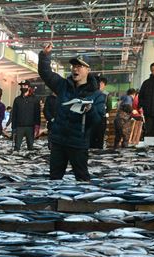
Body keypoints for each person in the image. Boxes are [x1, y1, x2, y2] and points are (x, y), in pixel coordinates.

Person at [38, 44, 105, 181]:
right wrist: (45, 56)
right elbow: (46, 73)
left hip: (78, 144)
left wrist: (90, 110)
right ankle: (55, 202)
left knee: (82, 178)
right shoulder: (62, 85)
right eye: (74, 66)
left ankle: (83, 202)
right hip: (58, 142)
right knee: (54, 178)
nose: (75, 69)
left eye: (80, 66)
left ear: (88, 70)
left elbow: (97, 120)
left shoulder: (97, 94)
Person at [9, 79, 41, 151]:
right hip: (19, 127)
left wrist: (37, 126)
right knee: (17, 147)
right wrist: (13, 127)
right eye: (22, 86)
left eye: (25, 86)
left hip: (30, 127)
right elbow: (14, 114)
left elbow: (37, 113)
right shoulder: (17, 100)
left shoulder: (35, 100)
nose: (23, 87)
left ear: (29, 87)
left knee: (30, 147)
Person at [90, 76, 113, 149]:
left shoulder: (106, 94)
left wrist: (103, 112)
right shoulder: (92, 93)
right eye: (99, 83)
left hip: (100, 117)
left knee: (98, 137)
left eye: (102, 83)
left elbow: (109, 107)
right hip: (94, 117)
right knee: (94, 137)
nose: (100, 85)